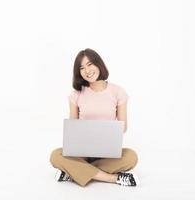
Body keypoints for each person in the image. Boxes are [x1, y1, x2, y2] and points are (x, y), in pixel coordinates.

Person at [49, 48, 139, 187]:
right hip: (81, 153)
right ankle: (113, 178)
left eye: (90, 64)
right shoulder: (76, 95)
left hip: (107, 153)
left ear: (98, 64)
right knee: (55, 155)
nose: (87, 70)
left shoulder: (118, 92)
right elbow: (72, 128)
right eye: (82, 68)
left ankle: (73, 171)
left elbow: (123, 127)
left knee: (131, 157)